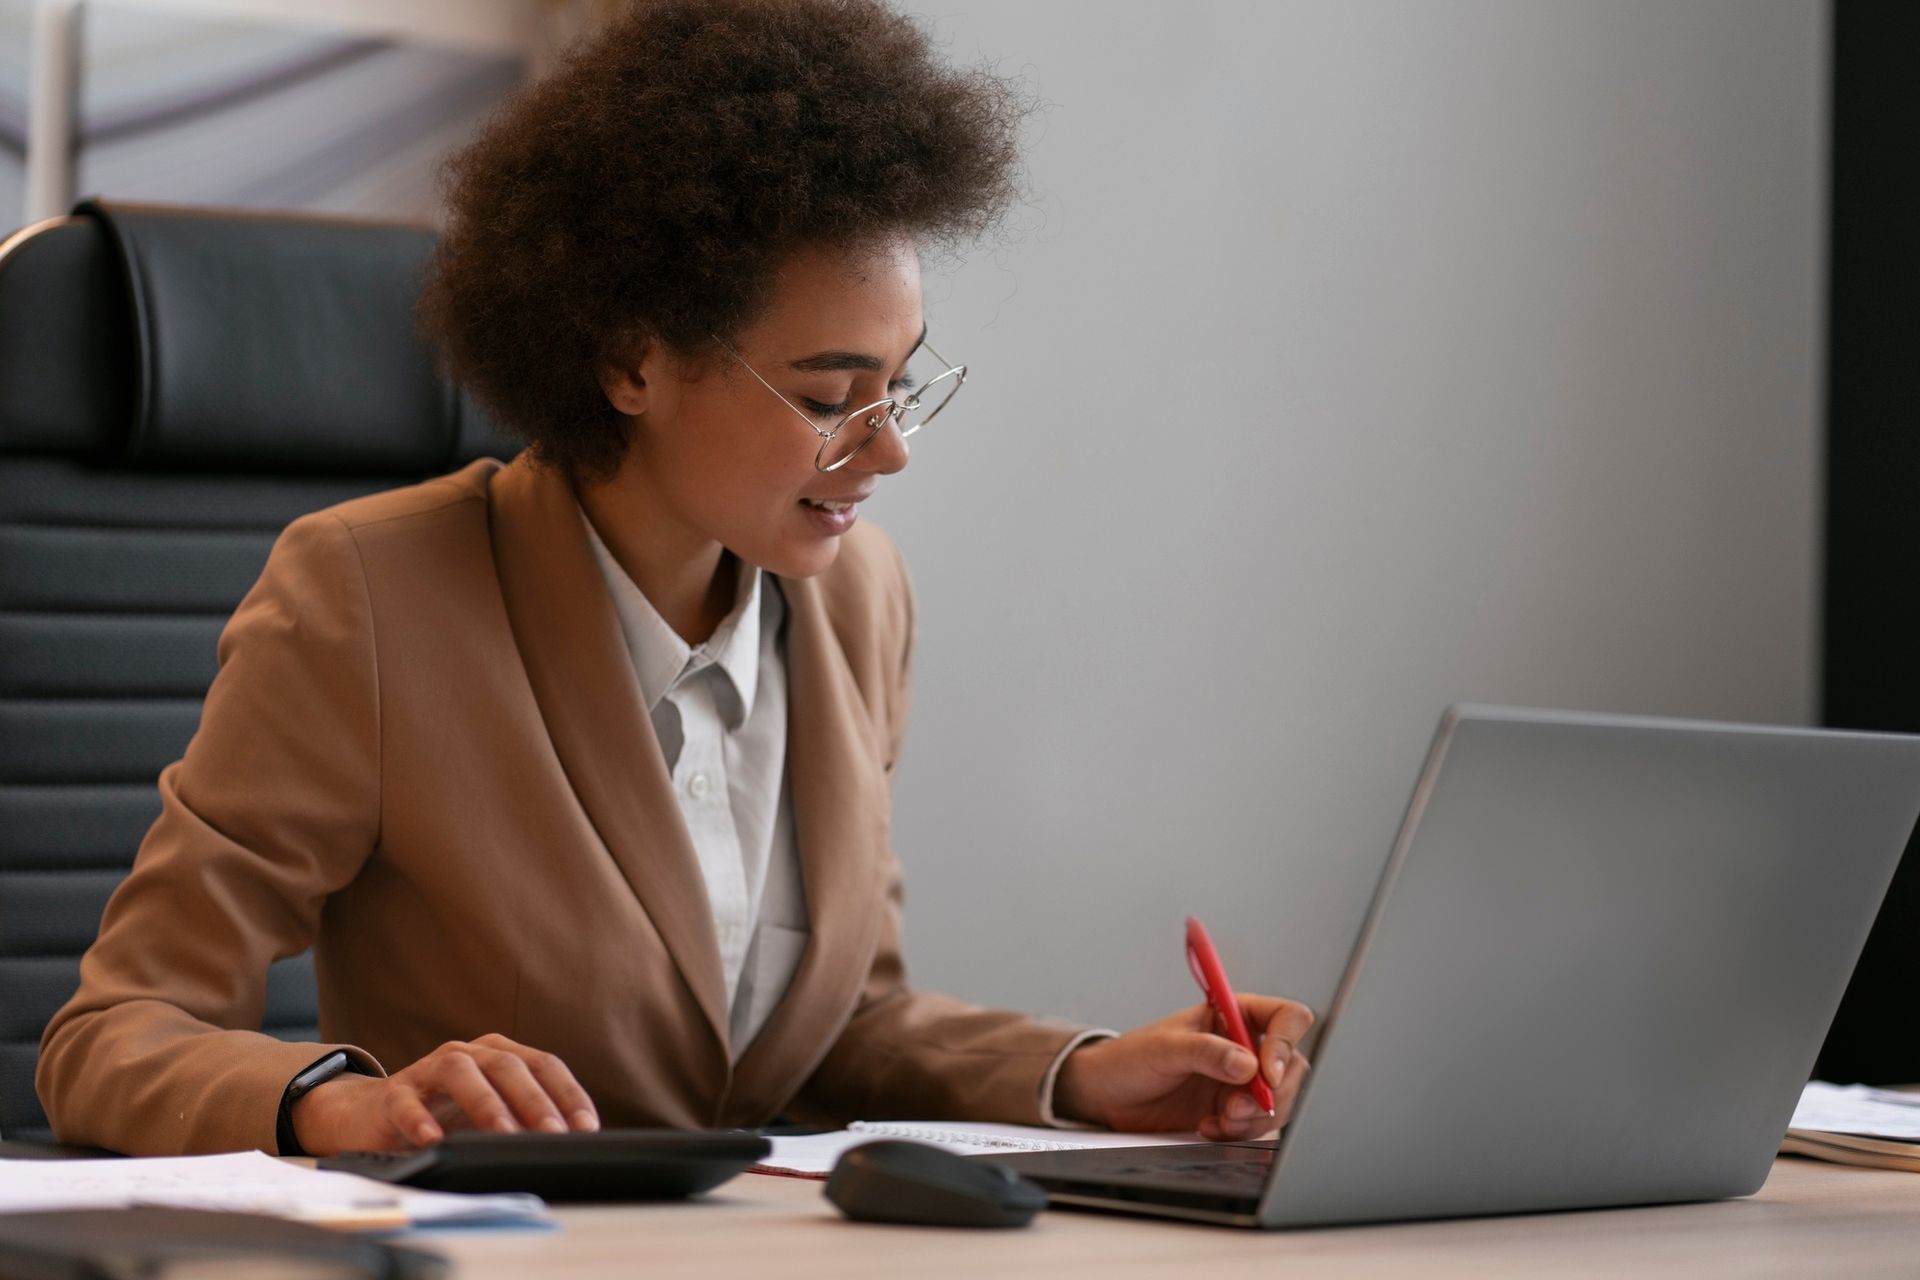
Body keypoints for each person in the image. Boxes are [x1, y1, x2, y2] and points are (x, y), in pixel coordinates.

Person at [37, 0, 1312, 1158]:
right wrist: (341, 1099)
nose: (891, 446)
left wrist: (1086, 1074)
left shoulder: (858, 598)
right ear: (631, 361)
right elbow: (112, 1033)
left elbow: (837, 1026)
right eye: (829, 395)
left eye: (903, 380)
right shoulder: (369, 596)